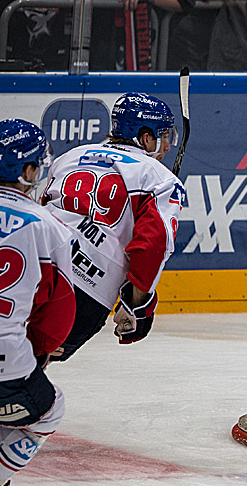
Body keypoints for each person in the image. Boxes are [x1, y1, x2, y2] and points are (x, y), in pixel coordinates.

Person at [42, 93, 185, 363]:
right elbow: (153, 243)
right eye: (164, 136)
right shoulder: (159, 178)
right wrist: (136, 304)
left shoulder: (71, 156)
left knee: (10, 340)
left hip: (36, 261)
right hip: (86, 286)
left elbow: (41, 209)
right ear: (145, 138)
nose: (167, 146)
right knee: (34, 359)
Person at [0, 119, 76, 486]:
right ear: (28, 173)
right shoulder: (48, 227)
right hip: (2, 365)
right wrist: (42, 350)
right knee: (48, 408)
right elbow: (58, 308)